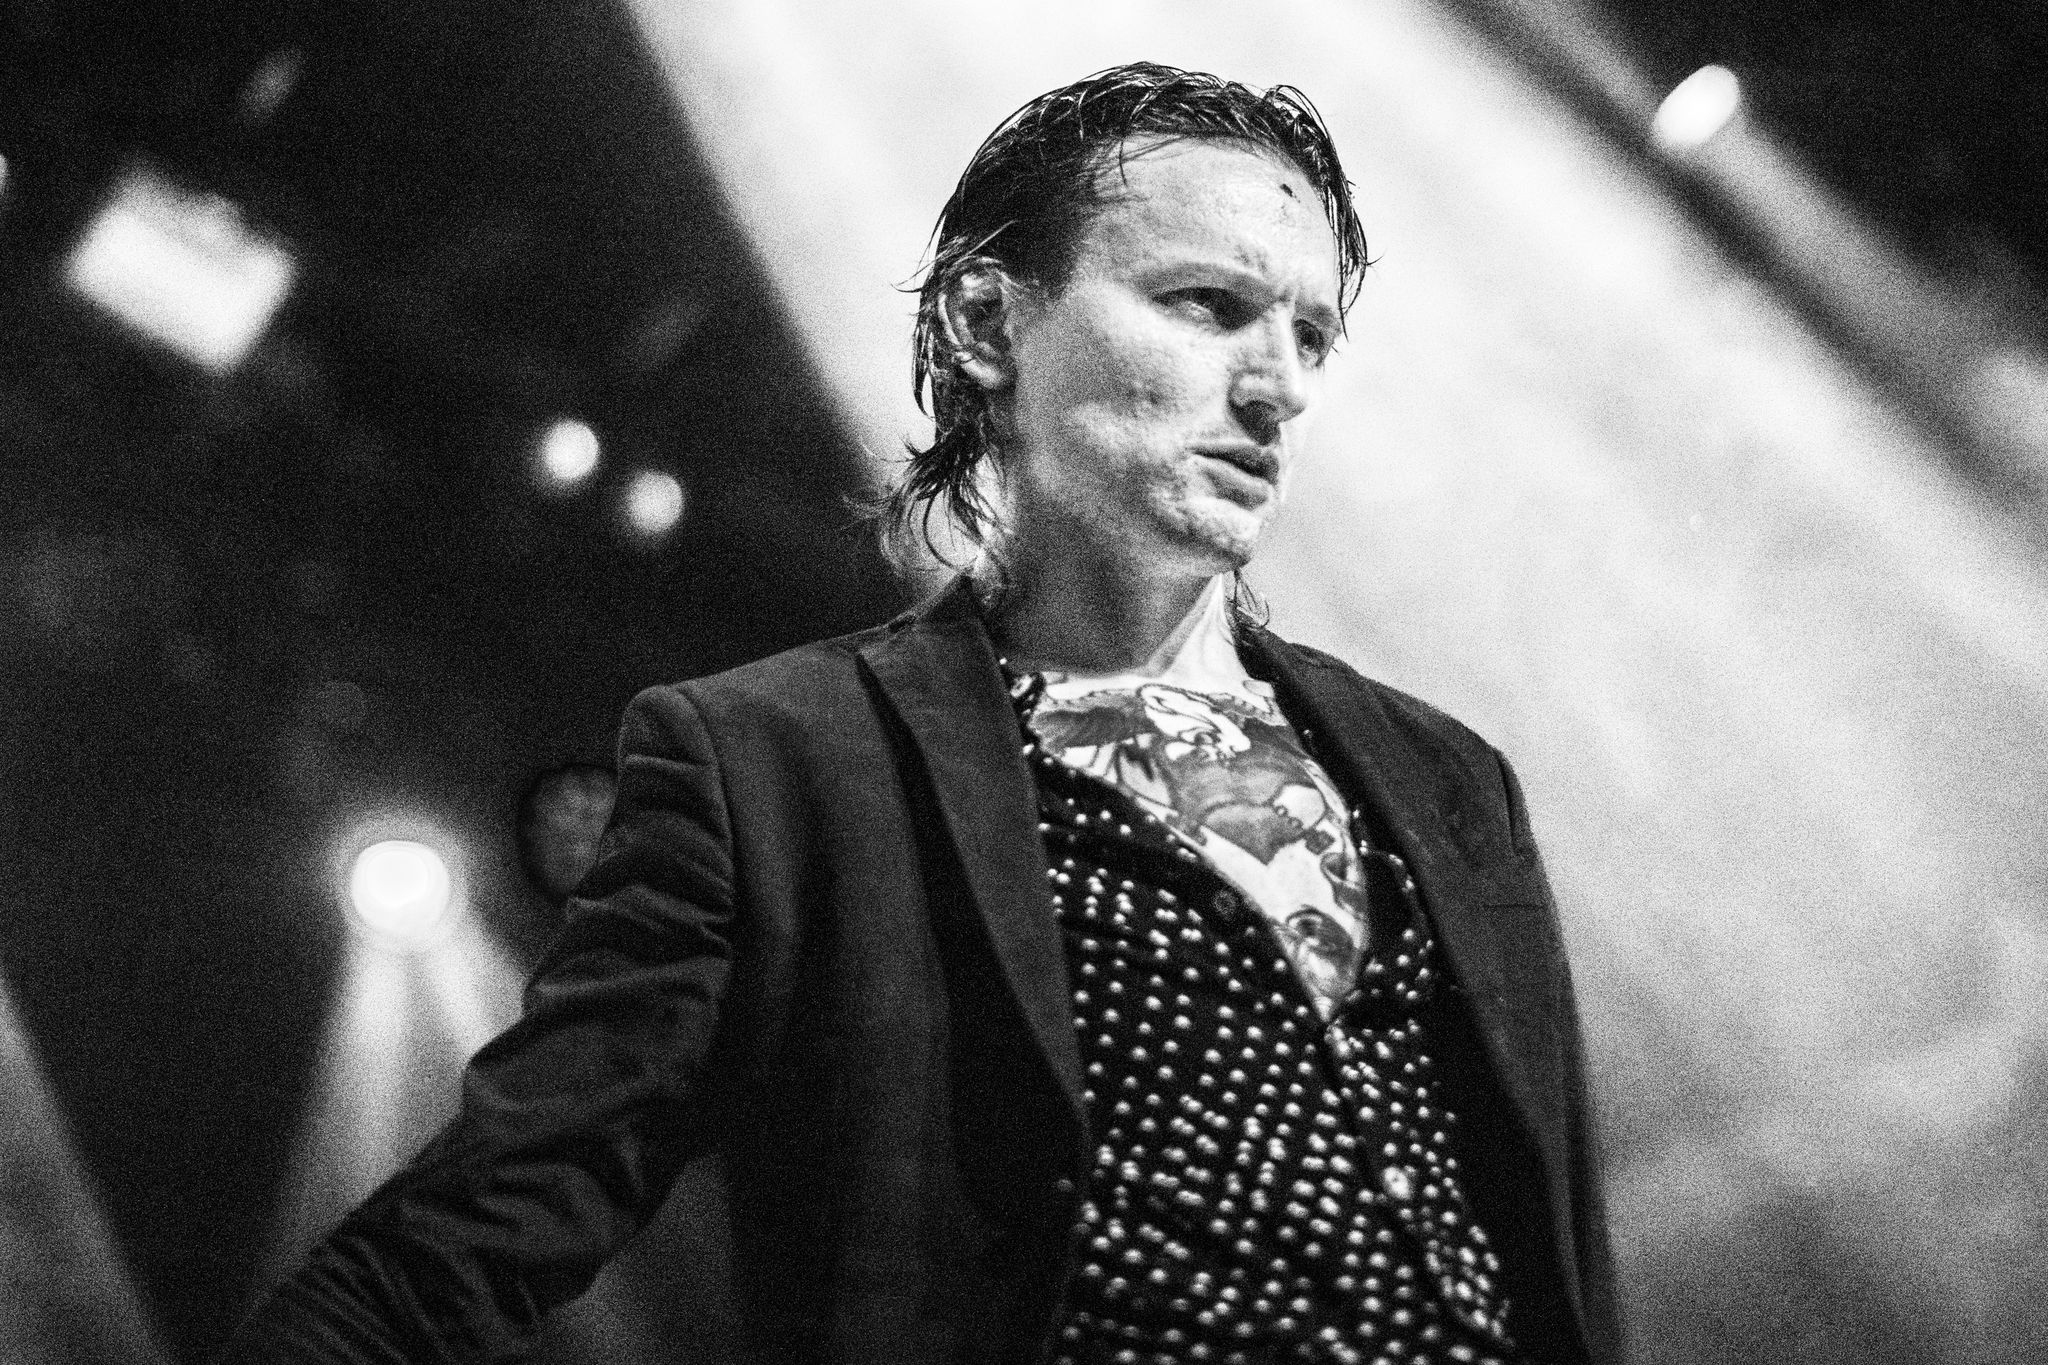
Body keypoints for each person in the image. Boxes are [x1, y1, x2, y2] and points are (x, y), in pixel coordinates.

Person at [227, 62, 1621, 1365]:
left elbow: (1560, 1266)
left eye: (1309, 331)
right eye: (1208, 304)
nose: (1279, 384)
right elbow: (458, 1242)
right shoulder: (777, 768)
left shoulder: (1445, 778)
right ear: (986, 323)